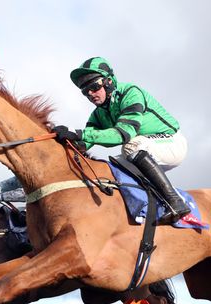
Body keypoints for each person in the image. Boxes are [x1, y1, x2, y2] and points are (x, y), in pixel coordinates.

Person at [52, 56, 191, 224]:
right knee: (107, 170)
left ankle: (175, 201)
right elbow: (83, 145)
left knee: (131, 146)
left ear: (109, 81)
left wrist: (79, 133)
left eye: (94, 87)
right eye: (85, 91)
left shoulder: (131, 92)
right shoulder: (98, 114)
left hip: (171, 142)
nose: (90, 93)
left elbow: (122, 134)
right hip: (144, 149)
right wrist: (62, 140)